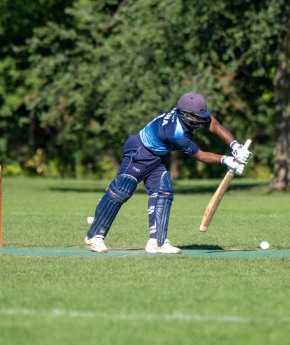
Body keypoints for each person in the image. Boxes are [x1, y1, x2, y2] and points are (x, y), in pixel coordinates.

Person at [84, 92, 251, 254]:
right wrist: (226, 160)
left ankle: (158, 243)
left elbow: (214, 125)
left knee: (164, 191)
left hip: (157, 156)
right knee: (122, 190)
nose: (201, 121)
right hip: (139, 151)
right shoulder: (175, 132)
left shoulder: (188, 114)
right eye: (197, 118)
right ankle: (94, 236)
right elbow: (200, 155)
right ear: (185, 114)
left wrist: (235, 146)